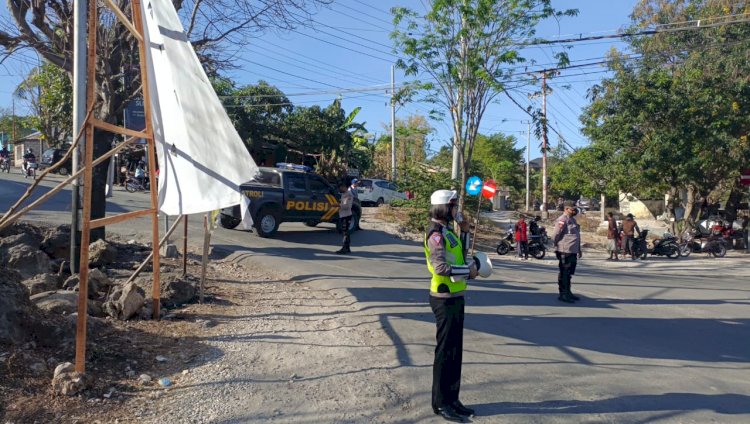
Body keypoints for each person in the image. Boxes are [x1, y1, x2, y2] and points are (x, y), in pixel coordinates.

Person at [424, 189, 477, 422]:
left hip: (456, 296)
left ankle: (453, 399)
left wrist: (464, 230)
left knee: (455, 351)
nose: (457, 210)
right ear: (444, 207)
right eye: (454, 206)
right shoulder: (435, 234)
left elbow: (462, 254)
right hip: (443, 299)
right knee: (445, 352)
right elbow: (441, 268)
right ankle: (440, 403)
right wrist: (469, 271)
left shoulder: (448, 232)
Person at [552, 200, 582, 303]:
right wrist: (556, 246)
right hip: (564, 250)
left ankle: (568, 292)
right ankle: (563, 294)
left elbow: (577, 236)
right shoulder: (562, 220)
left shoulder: (572, 220)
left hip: (573, 250)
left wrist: (579, 249)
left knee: (569, 273)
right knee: (564, 272)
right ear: (566, 209)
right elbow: (556, 235)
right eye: (573, 209)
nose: (575, 210)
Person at [336, 181, 354, 254]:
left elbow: (347, 206)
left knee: (345, 233)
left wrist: (338, 205)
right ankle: (347, 248)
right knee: (345, 232)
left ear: (344, 187)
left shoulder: (348, 194)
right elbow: (344, 203)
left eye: (340, 187)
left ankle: (344, 248)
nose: (339, 189)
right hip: (343, 215)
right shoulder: (344, 194)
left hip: (346, 215)